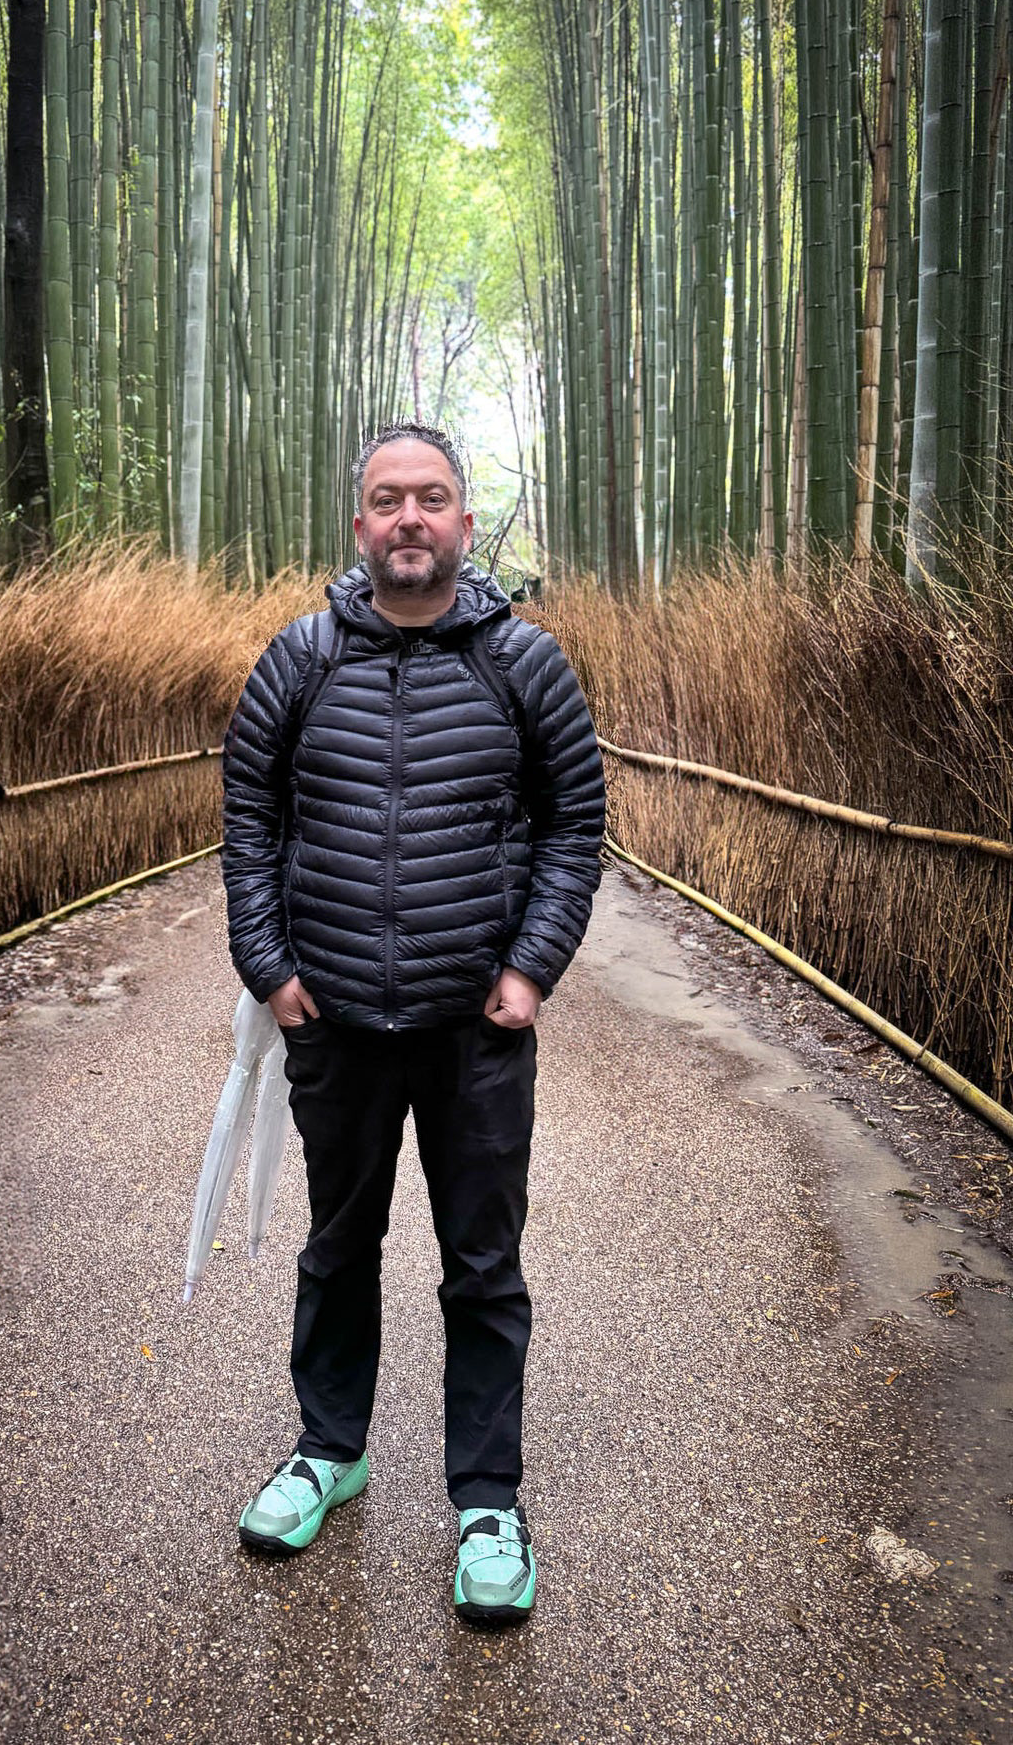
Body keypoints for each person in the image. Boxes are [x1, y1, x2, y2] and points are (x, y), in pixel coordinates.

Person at [220, 421, 604, 1626]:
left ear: (464, 523)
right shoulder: (300, 658)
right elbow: (247, 819)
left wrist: (532, 969)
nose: (409, 520)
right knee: (338, 1247)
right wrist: (271, 968)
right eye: (388, 500)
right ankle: (329, 1451)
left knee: (483, 1266)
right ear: (359, 526)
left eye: (430, 499)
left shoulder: (524, 663)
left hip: (474, 1028)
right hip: (334, 1016)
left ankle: (488, 1503)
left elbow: (575, 823)